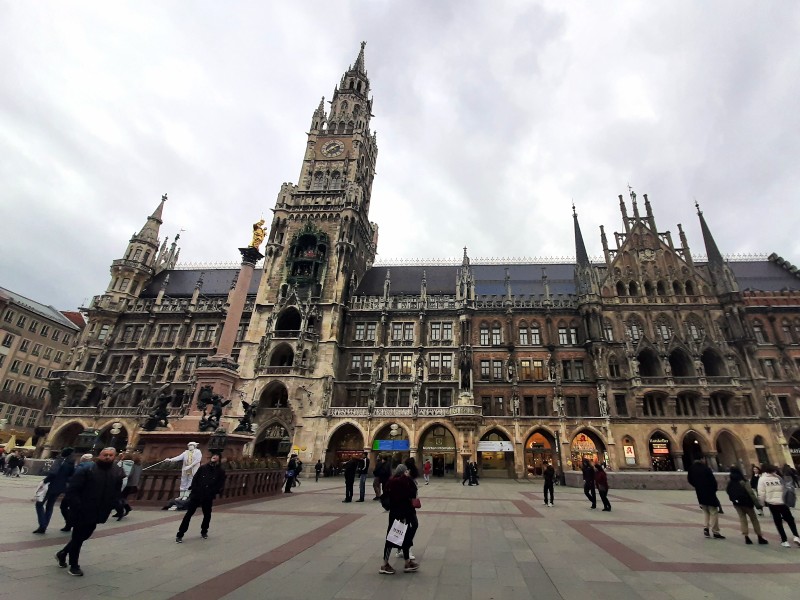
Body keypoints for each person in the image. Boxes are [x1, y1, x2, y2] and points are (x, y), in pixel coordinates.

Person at [55, 447, 125, 576]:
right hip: (82, 509)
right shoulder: (87, 469)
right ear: (99, 455)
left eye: (110, 455)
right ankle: (74, 565)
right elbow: (73, 490)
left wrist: (117, 506)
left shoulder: (117, 471)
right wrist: (77, 506)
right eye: (105, 455)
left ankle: (63, 553)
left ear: (114, 457)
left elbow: (116, 491)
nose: (108, 457)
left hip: (99, 510)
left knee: (84, 536)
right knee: (77, 537)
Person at [175, 453, 226, 543]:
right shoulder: (203, 468)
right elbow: (195, 479)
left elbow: (220, 484)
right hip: (197, 494)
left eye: (217, 456)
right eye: (214, 455)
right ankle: (180, 534)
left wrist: (213, 491)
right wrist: (194, 489)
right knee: (189, 514)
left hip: (208, 495)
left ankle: (204, 531)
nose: (215, 457)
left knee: (207, 514)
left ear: (219, 459)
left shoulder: (220, 471)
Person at [379, 464, 420, 575]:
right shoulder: (403, 482)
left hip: (394, 513)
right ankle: (385, 565)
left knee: (396, 537)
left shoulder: (391, 481)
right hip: (403, 513)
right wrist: (410, 480)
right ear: (403, 472)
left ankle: (406, 562)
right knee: (397, 537)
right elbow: (412, 494)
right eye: (406, 471)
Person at [33, 448, 76, 534]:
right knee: (50, 506)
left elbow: (53, 473)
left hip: (51, 486)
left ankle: (42, 525)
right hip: (60, 488)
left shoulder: (59, 460)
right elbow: (71, 476)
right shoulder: (71, 463)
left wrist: (45, 481)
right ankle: (44, 525)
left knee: (39, 504)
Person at [757, 464, 800, 548]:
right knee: (790, 520)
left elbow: (761, 493)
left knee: (778, 522)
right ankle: (796, 536)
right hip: (783, 502)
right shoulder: (778, 477)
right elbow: (786, 488)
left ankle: (784, 540)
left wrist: (761, 503)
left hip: (772, 503)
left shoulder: (762, 479)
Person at [726, 466, 768, 545]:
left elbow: (728, 491)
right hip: (747, 503)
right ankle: (759, 536)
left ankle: (746, 537)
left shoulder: (730, 481)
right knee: (754, 519)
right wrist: (757, 504)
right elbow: (751, 493)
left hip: (737, 504)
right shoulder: (743, 481)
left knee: (742, 519)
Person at [687, 457, 725, 539]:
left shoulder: (691, 469)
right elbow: (713, 481)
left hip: (700, 493)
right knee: (713, 511)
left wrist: (697, 486)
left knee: (705, 511)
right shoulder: (706, 468)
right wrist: (714, 489)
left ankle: (706, 528)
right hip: (709, 492)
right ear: (702, 460)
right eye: (704, 459)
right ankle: (715, 531)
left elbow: (689, 479)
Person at [59, 454, 95, 532]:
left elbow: (74, 479)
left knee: (64, 507)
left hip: (74, 491)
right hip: (86, 492)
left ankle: (70, 523)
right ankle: (73, 524)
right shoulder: (95, 467)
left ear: (83, 459)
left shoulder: (81, 467)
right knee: (76, 509)